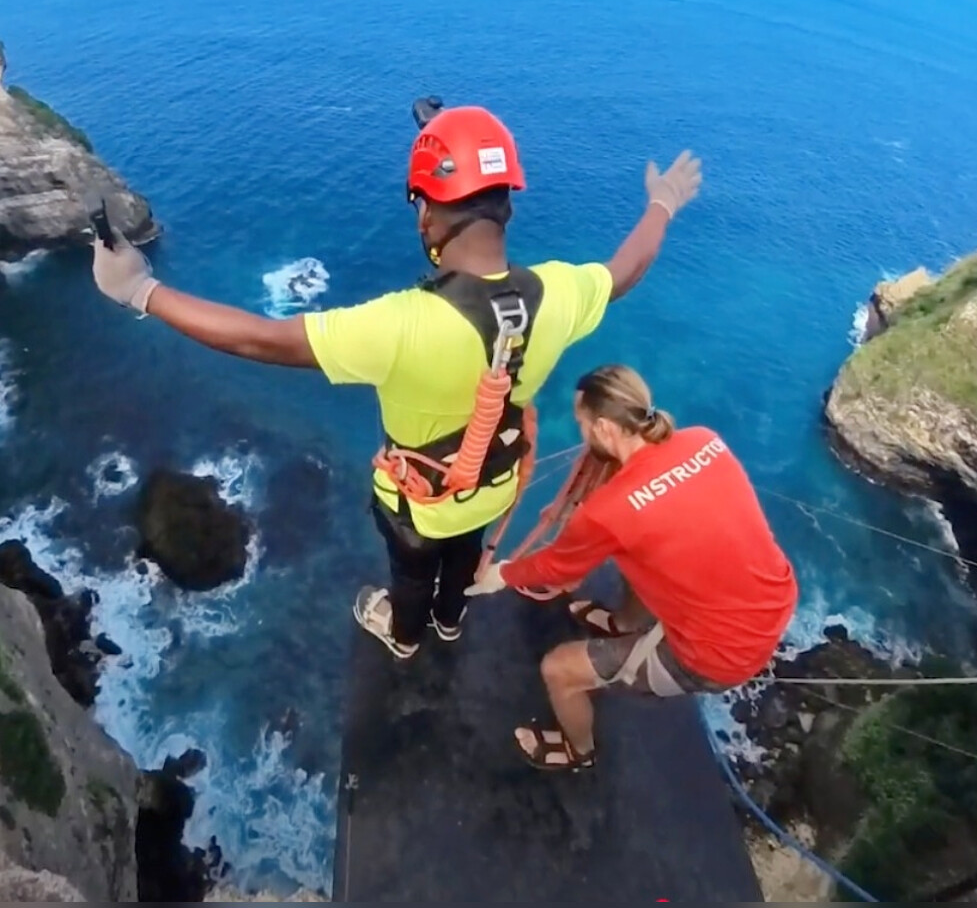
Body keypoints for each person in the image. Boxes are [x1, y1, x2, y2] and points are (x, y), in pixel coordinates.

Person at [90, 97, 702, 659]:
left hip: (418, 504)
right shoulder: (559, 292)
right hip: (490, 486)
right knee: (463, 557)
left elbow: (257, 336)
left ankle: (406, 633)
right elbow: (626, 269)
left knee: (411, 573)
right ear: (507, 204)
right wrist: (663, 204)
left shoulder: (400, 325)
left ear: (428, 218)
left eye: (421, 206)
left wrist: (140, 289)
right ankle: (451, 620)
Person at [464, 364, 798, 771]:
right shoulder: (704, 440)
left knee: (559, 669)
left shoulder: (608, 512)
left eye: (582, 423)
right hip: (772, 602)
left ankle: (578, 751)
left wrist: (499, 575)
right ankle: (624, 623)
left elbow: (557, 569)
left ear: (604, 428)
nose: (580, 433)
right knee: (635, 554)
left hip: (717, 654)